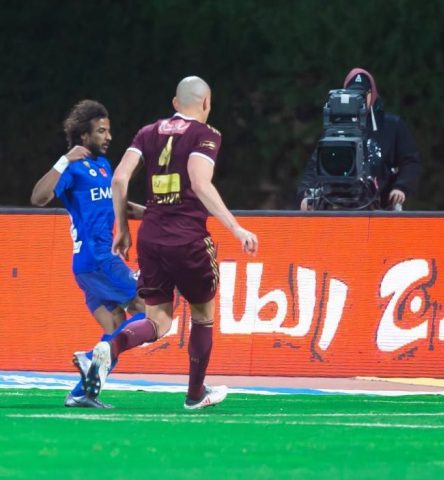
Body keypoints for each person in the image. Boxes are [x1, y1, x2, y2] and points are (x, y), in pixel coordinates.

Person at [84, 76, 258, 410]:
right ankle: (195, 395)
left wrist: (122, 230)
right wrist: (236, 228)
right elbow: (200, 183)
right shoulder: (205, 134)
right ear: (206, 102)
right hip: (188, 239)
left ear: (175, 103)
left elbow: (119, 179)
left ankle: (110, 348)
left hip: (151, 238)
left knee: (157, 322)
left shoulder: (147, 132)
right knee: (202, 315)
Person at [31, 100, 147, 409]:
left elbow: (117, 205)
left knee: (114, 328)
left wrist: (155, 215)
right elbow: (39, 197)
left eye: (109, 131)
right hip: (98, 259)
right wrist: (63, 160)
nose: (109, 137)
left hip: (89, 265)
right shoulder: (72, 168)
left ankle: (82, 392)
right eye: (101, 131)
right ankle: (88, 359)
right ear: (84, 135)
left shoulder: (104, 166)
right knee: (149, 310)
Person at [298, 67, 422, 210]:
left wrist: (401, 187)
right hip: (337, 207)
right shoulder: (336, 129)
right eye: (354, 93)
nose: (360, 98)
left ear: (371, 94)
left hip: (378, 208)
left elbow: (410, 161)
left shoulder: (391, 126)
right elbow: (317, 165)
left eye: (363, 94)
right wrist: (305, 195)